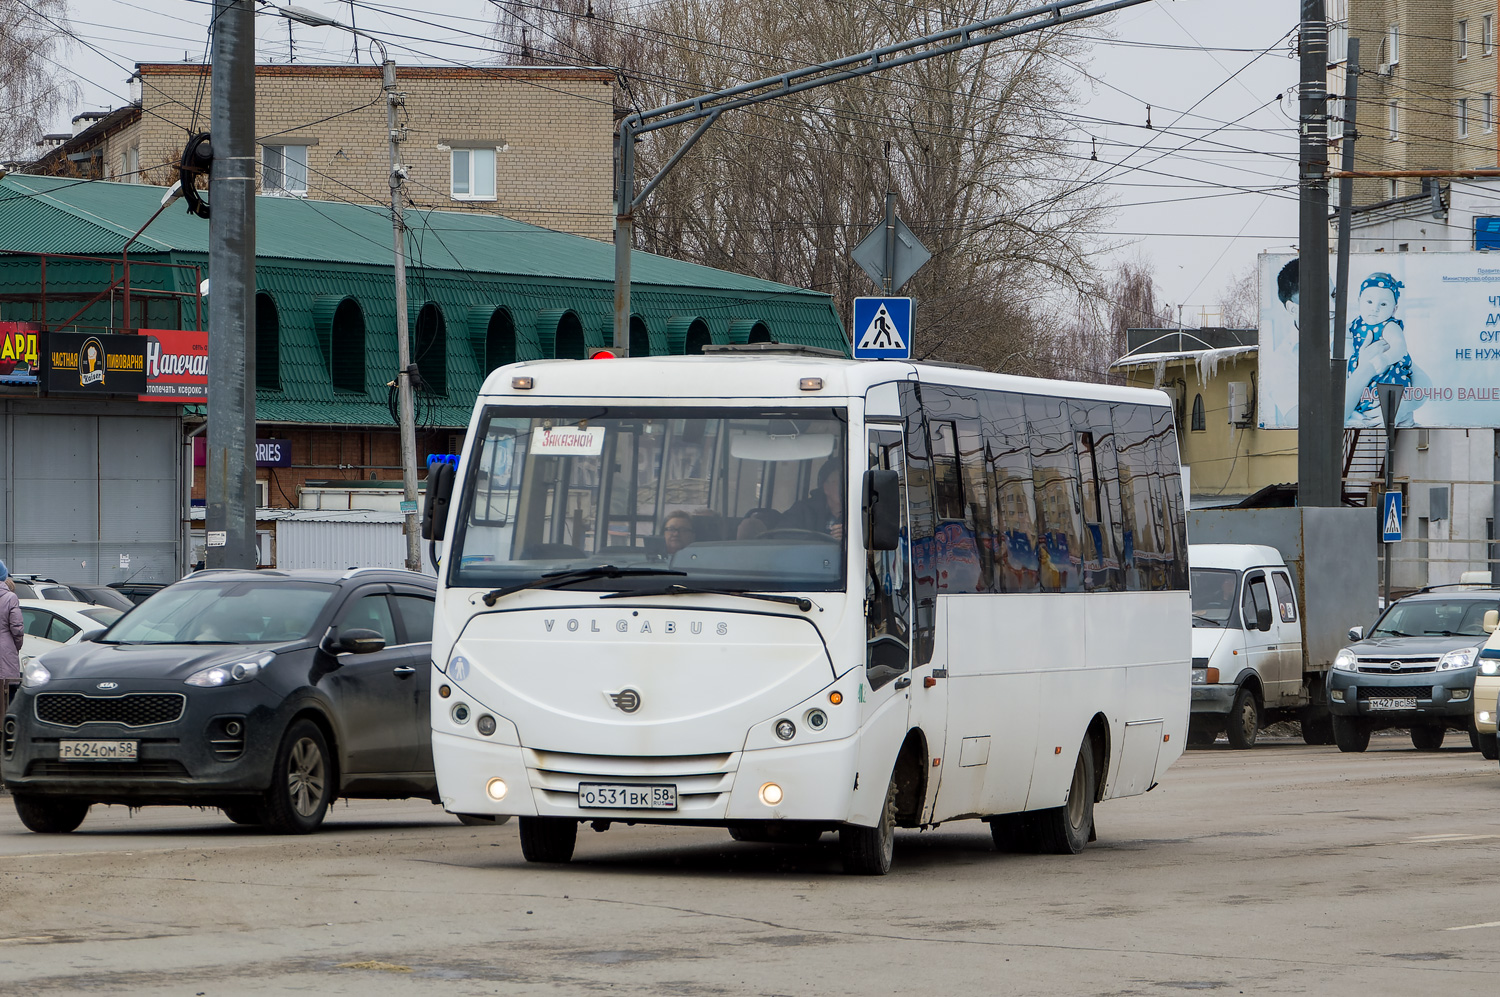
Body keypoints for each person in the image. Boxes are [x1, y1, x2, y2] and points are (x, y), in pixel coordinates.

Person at [1344, 272, 1413, 425]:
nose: (1374, 309)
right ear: (1359, 302)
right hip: (1365, 376)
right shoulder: (1357, 324)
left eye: (1383, 304)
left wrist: (1386, 358)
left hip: (1387, 374)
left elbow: (1400, 347)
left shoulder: (1389, 326)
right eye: (1369, 302)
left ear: (1394, 309)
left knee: (1385, 400)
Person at [782, 458, 845, 539]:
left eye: (847, 483)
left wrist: (847, 538)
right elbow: (782, 536)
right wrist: (827, 540)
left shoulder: (860, 512)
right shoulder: (802, 510)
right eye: (839, 483)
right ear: (826, 487)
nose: (844, 488)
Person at [0, 560, 23, 711]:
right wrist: (17, 645)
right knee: (8, 696)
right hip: (5, 652)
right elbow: (17, 627)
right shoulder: (10, 598)